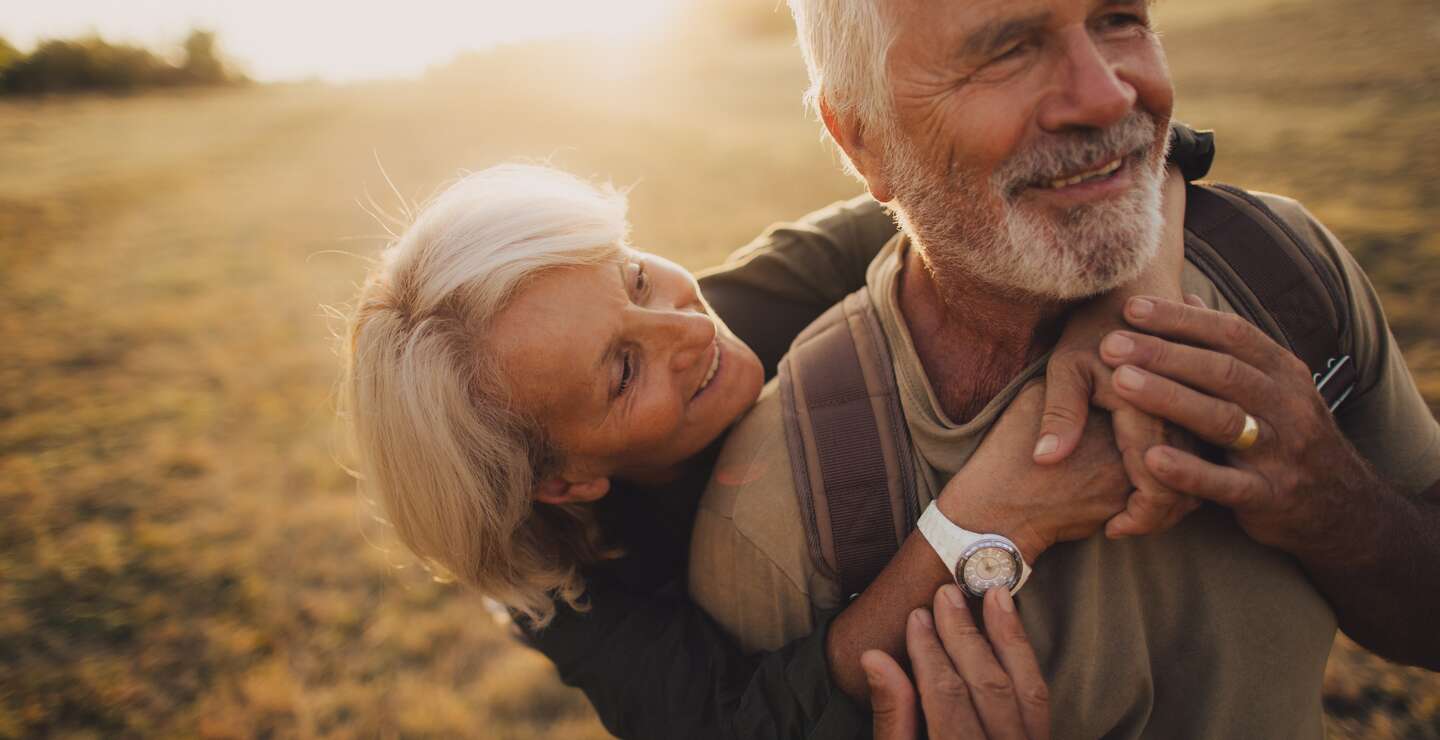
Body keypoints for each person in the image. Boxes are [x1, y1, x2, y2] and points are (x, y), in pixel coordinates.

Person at [686, 0, 1440, 737]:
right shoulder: (782, 506)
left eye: (1119, 19)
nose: (1107, 95)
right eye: (1004, 50)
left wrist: (1341, 506)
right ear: (861, 138)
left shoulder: (1282, 270)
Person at [340, 126, 1209, 737]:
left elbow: (1118, 153)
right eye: (622, 371)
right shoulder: (568, 589)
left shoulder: (763, 290)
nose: (688, 329)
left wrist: (1126, 321)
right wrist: (984, 522)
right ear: (563, 481)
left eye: (635, 278)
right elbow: (739, 727)